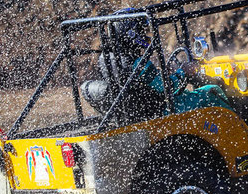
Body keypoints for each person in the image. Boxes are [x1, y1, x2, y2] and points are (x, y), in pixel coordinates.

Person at [81, 10, 232, 119]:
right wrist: (184, 72)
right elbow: (168, 87)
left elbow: (144, 84)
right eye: (140, 30)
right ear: (131, 34)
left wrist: (169, 73)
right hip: (159, 110)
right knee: (212, 91)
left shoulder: (106, 58)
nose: (144, 34)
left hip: (137, 110)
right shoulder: (136, 62)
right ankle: (239, 141)